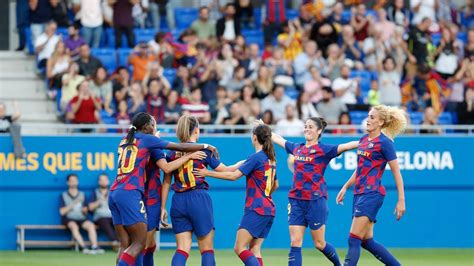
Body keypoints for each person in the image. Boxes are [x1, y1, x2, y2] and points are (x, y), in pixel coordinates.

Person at [109, 112, 218, 266]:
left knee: (129, 244)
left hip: (116, 191)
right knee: (140, 244)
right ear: (148, 127)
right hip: (142, 195)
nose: (155, 126)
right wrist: (204, 148)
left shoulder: (126, 140)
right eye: (154, 124)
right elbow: (167, 167)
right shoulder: (151, 141)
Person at [259, 117, 358, 266]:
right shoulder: (296, 147)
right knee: (295, 241)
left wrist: (366, 142)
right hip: (296, 200)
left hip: (315, 201)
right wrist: (264, 128)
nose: (307, 129)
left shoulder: (324, 150)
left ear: (319, 131)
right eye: (305, 126)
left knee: (319, 243)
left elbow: (345, 146)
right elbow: (279, 139)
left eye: (311, 127)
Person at [161, 115, 242, 266]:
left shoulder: (172, 153)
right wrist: (243, 163)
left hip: (178, 201)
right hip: (198, 198)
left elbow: (166, 182)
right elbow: (227, 170)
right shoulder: (204, 151)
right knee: (206, 249)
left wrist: (162, 207)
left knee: (182, 249)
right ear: (196, 130)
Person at [195, 124, 279, 266]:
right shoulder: (270, 159)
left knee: (239, 248)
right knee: (254, 249)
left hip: (256, 208)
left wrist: (207, 173)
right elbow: (275, 185)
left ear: (254, 138)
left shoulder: (256, 157)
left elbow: (233, 176)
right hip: (269, 209)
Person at [336, 105, 407, 266]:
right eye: (368, 116)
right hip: (359, 193)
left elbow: (396, 172)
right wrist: (346, 186)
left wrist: (401, 199)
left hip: (372, 193)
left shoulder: (385, 143)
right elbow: (360, 169)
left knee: (353, 238)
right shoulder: (363, 140)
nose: (368, 120)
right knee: (366, 241)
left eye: (372, 117)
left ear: (381, 122)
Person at [59, 174, 104, 254]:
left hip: (81, 218)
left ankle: (94, 247)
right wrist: (74, 203)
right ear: (68, 182)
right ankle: (83, 247)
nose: (73, 182)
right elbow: (62, 212)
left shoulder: (82, 195)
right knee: (74, 226)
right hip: (69, 218)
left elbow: (86, 209)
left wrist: (85, 210)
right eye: (71, 181)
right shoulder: (63, 195)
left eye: (75, 180)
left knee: (90, 225)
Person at [88, 174, 118, 242]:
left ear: (108, 181)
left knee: (119, 223)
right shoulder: (95, 192)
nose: (103, 182)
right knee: (104, 221)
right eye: (101, 180)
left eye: (105, 180)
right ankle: (115, 241)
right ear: (99, 182)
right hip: (100, 217)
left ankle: (121, 242)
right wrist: (100, 201)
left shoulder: (112, 192)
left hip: (111, 216)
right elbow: (90, 208)